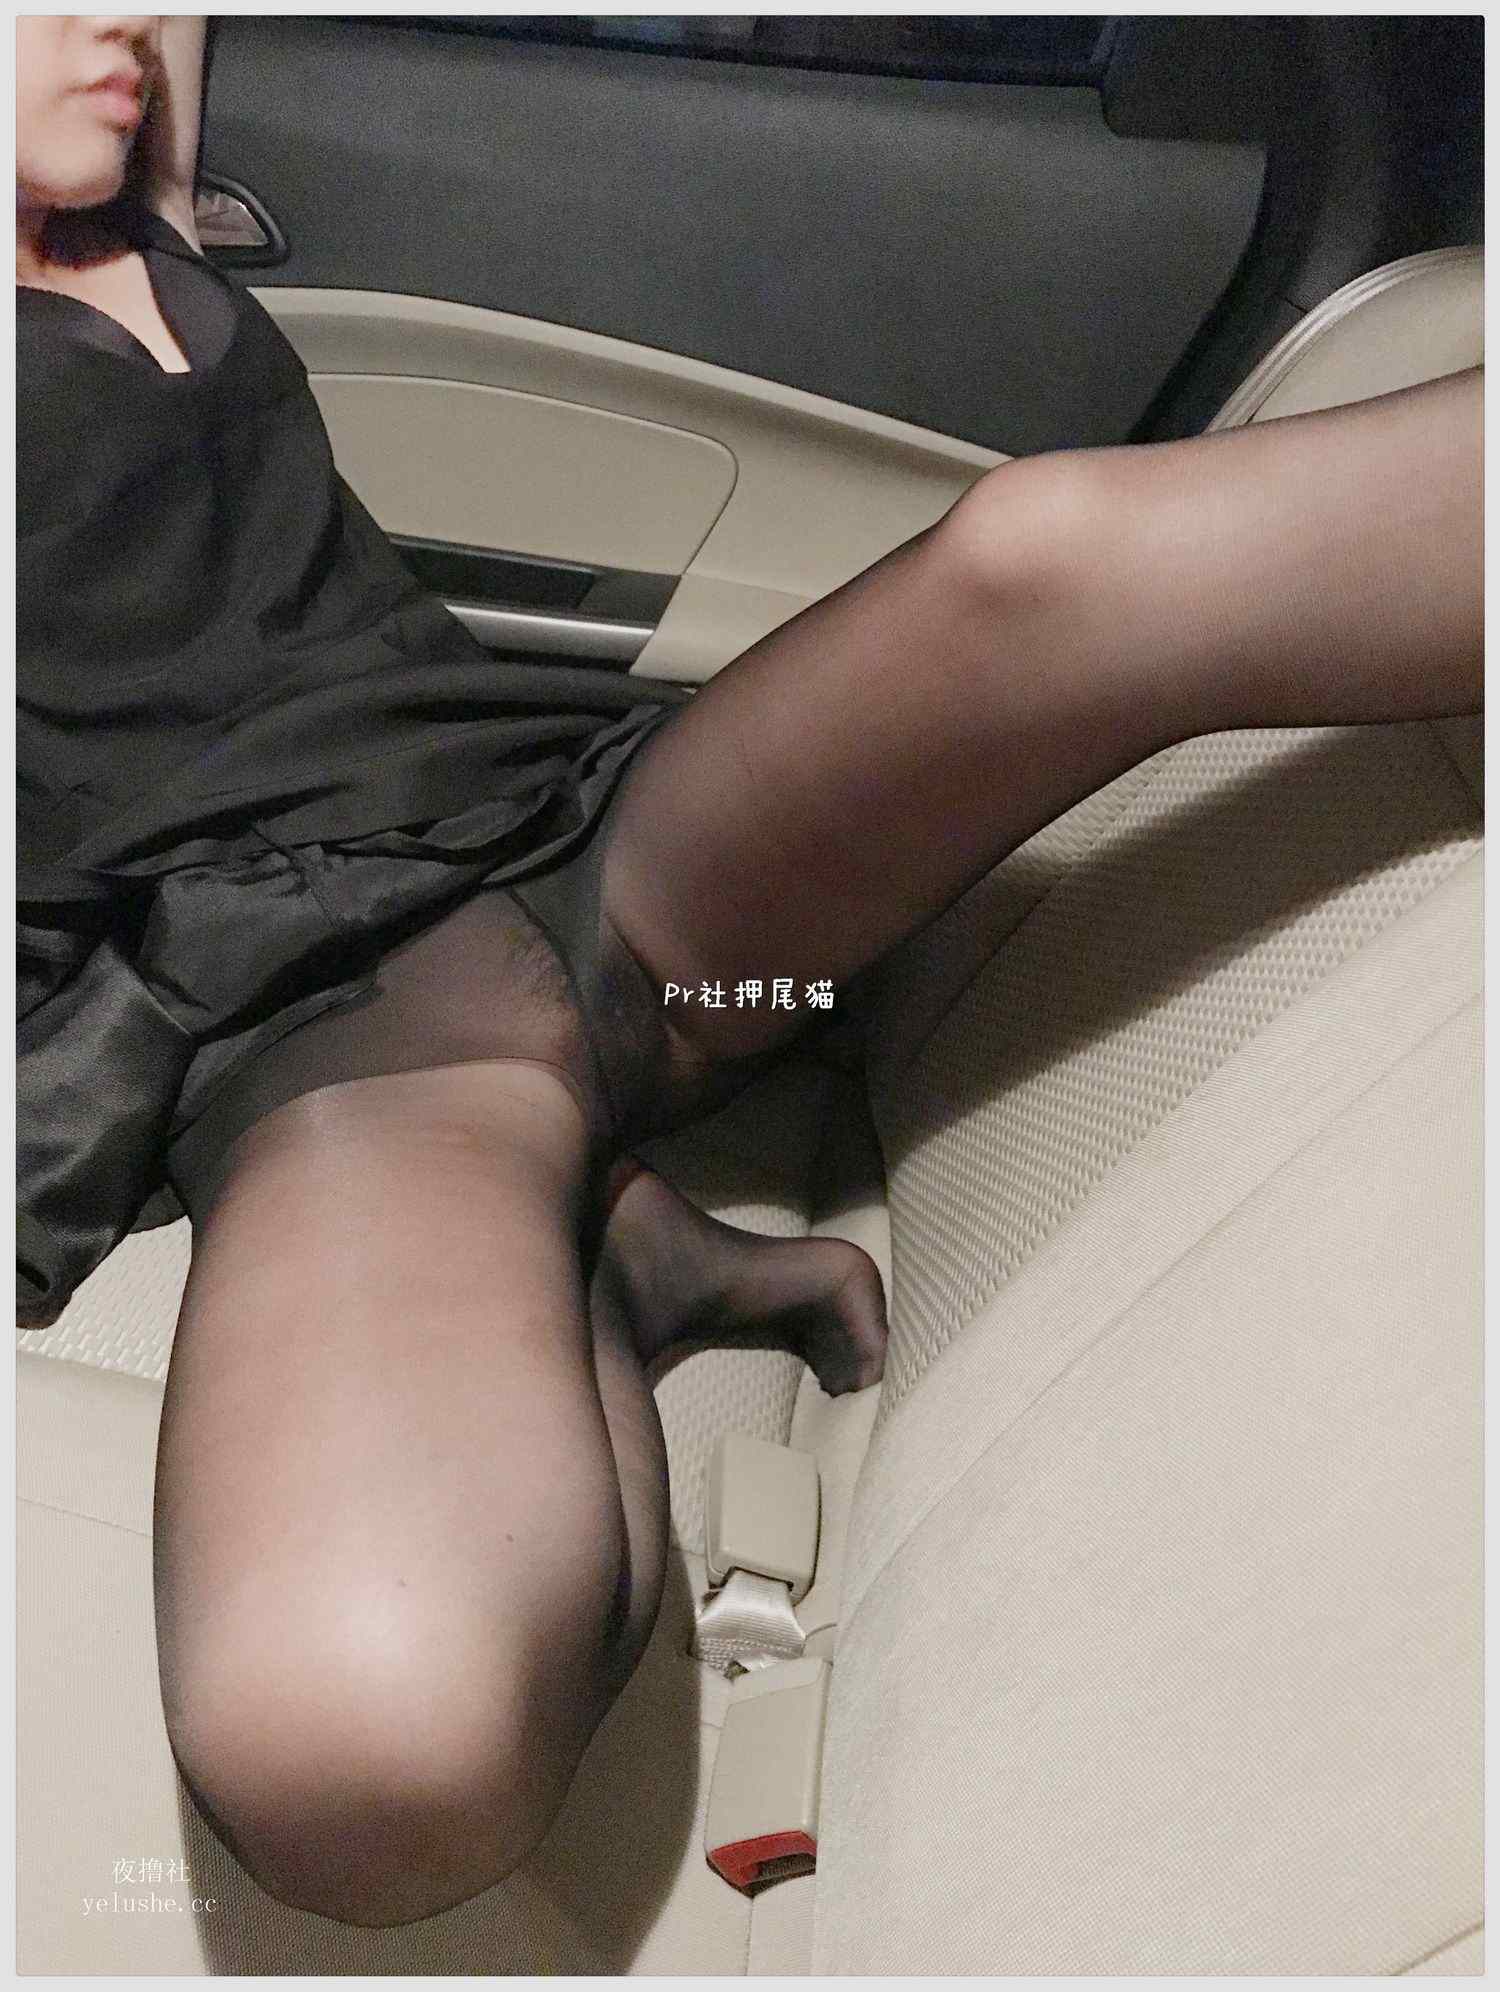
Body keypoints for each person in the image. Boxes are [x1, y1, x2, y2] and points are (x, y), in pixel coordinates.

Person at [18, 17, 1482, 1932]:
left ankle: (596, 1213)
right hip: (337, 1028)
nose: (110, 31)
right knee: (363, 1735)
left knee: (1046, 555)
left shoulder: (106, 181)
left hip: (590, 852)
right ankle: (599, 1250)